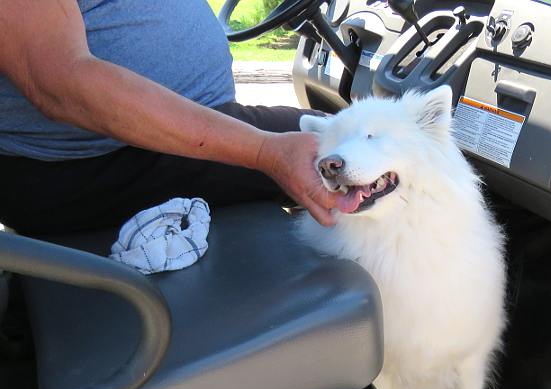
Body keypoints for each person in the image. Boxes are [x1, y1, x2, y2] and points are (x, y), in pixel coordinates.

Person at [0, 0, 339, 236]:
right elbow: (61, 84)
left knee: (342, 138)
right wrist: (265, 151)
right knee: (350, 154)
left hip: (151, 133)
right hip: (88, 164)